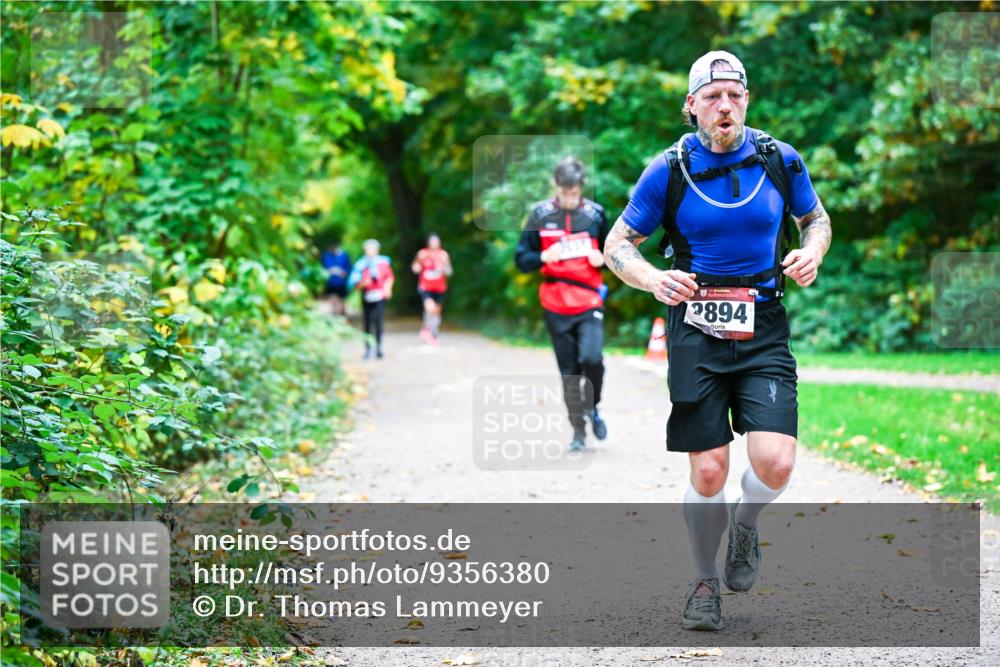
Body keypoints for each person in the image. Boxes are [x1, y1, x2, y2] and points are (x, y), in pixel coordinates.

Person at [603, 51, 832, 630]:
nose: (724, 105)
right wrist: (653, 278)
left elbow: (817, 220)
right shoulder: (669, 169)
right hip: (695, 329)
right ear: (691, 107)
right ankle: (704, 581)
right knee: (707, 471)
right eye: (712, 97)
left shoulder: (781, 159)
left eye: (734, 94)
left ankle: (747, 525)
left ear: (746, 100)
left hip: (764, 322)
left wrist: (812, 253)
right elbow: (617, 245)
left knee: (776, 463)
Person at [515, 157, 610, 452]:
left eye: (575, 193)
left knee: (592, 360)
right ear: (555, 186)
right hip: (555, 304)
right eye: (565, 193)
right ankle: (578, 431)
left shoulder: (596, 215)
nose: (570, 199)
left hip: (588, 300)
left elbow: (617, 252)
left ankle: (593, 407)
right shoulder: (539, 216)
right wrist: (542, 257)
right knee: (569, 372)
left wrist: (604, 259)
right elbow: (521, 259)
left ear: (582, 188)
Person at [348, 239, 395, 359]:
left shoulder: (383, 263)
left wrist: (387, 288)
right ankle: (368, 348)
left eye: (373, 248)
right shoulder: (361, 265)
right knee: (367, 322)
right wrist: (364, 283)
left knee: (378, 321)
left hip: (379, 296)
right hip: (367, 296)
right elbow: (355, 283)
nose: (370, 251)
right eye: (368, 249)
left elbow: (389, 277)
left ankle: (379, 347)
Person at [411, 233, 452, 345]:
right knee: (430, 308)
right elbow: (415, 266)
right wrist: (417, 268)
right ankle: (426, 328)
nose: (434, 243)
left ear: (439, 242)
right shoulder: (422, 254)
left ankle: (434, 333)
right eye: (432, 241)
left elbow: (449, 270)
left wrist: (445, 269)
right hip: (426, 286)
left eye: (436, 241)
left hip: (439, 287)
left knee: (437, 312)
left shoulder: (443, 255)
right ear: (428, 242)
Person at [320, 242, 351, 317]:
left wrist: (345, 273)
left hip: (341, 282)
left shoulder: (344, 255)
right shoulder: (326, 256)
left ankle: (342, 315)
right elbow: (323, 268)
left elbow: (349, 267)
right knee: (332, 299)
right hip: (330, 282)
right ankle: (334, 315)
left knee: (342, 300)